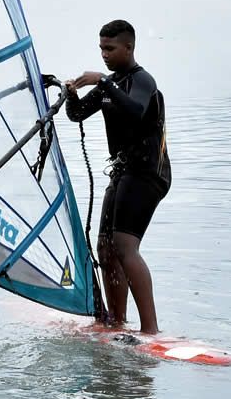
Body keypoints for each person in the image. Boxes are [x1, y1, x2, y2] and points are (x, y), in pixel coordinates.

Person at [65, 19, 171, 334]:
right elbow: (77, 114)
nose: (104, 55)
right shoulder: (108, 85)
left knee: (125, 247)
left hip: (149, 174)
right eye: (101, 48)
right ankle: (116, 322)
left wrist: (103, 82)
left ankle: (150, 331)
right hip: (124, 172)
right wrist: (71, 93)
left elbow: (135, 110)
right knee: (104, 247)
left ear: (129, 47)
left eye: (110, 49)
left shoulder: (142, 81)